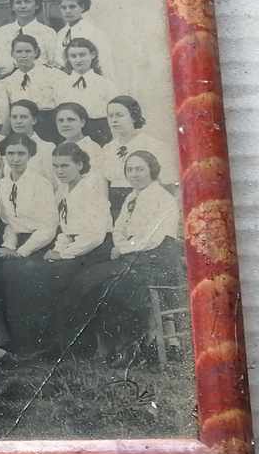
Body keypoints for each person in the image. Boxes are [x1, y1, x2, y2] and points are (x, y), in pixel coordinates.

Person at [68, 150, 183, 364]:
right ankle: (106, 346)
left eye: (140, 169)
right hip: (133, 256)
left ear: (152, 170)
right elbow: (118, 229)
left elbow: (153, 238)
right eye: (129, 169)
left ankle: (130, 348)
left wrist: (123, 249)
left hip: (157, 260)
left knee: (118, 286)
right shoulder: (132, 196)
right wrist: (122, 246)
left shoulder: (163, 198)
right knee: (89, 279)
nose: (134, 174)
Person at [1, 141, 111, 356]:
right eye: (56, 166)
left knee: (58, 277)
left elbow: (95, 235)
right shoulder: (62, 190)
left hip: (95, 249)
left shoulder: (91, 188)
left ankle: (72, 347)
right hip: (73, 247)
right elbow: (65, 229)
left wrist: (64, 253)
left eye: (65, 166)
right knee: (35, 274)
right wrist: (58, 249)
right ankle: (44, 342)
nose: (60, 171)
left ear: (79, 165)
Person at [0, 133, 59, 347]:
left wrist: (21, 252)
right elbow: (9, 223)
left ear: (30, 155)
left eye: (21, 153)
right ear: (3, 156)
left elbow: (48, 226)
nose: (15, 158)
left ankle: (29, 341)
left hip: (40, 242)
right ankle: (1, 333)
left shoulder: (41, 184)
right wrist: (8, 246)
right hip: (15, 242)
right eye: (10, 153)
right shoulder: (1, 185)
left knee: (19, 273)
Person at [103, 95, 175, 217]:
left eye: (119, 115)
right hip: (114, 207)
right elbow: (104, 182)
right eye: (110, 116)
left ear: (134, 117)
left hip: (146, 204)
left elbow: (167, 182)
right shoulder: (107, 149)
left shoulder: (153, 145)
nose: (114, 120)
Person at [2, 34, 64, 143]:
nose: (24, 56)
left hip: (48, 123)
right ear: (12, 54)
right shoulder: (7, 81)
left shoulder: (52, 74)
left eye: (28, 51)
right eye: (19, 52)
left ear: (35, 52)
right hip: (21, 124)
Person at [56, 38, 117, 145]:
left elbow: (113, 112)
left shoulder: (105, 84)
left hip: (98, 132)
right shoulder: (61, 85)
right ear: (68, 59)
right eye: (73, 56)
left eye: (82, 55)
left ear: (92, 55)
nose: (78, 60)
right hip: (70, 132)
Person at [57, 0, 115, 85]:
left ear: (82, 7)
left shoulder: (94, 33)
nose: (67, 11)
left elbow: (105, 65)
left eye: (72, 7)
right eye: (63, 7)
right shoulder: (61, 34)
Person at [0, 0, 59, 71]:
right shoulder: (3, 32)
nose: (23, 6)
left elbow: (53, 62)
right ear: (12, 7)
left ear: (37, 5)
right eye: (18, 2)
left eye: (27, 2)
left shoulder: (47, 32)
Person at [8, 99, 56, 182]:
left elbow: (53, 182)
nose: (18, 121)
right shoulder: (6, 148)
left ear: (34, 120)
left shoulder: (47, 148)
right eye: (14, 117)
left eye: (23, 117)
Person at [54, 101, 104, 176]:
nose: (65, 124)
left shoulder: (92, 148)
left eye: (70, 120)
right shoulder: (57, 148)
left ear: (82, 122)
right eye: (60, 121)